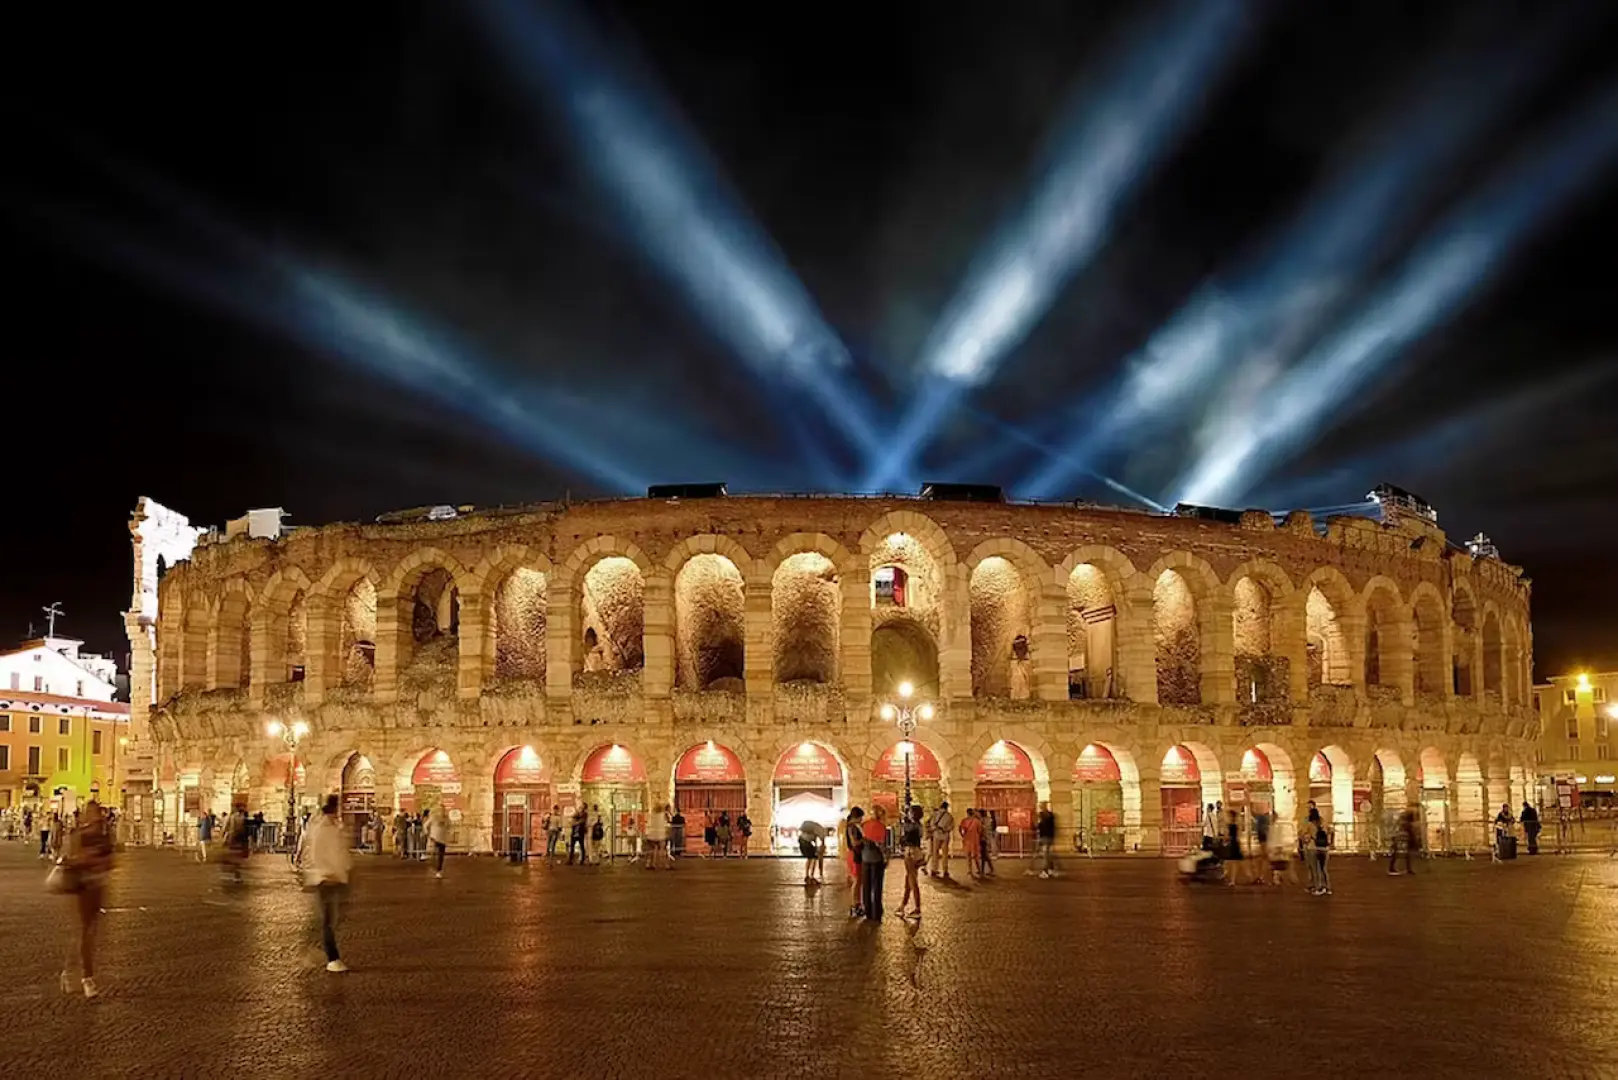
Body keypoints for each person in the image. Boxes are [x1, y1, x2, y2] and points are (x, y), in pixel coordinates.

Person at [57, 799, 113, 999]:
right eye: (91, 813)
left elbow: (110, 862)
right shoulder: (78, 836)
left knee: (85, 935)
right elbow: (71, 858)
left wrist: (97, 862)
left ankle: (67, 971)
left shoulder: (104, 836)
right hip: (80, 888)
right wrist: (86, 860)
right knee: (84, 935)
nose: (95, 817)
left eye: (97, 813)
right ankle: (87, 978)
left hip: (96, 889)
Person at [296, 795, 353, 973]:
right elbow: (315, 853)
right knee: (327, 920)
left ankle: (315, 947)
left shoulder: (333, 826)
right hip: (326, 878)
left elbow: (341, 851)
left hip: (337, 877)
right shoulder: (322, 828)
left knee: (333, 918)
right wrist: (326, 872)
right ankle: (332, 958)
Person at [860, 805, 890, 923]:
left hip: (865, 858)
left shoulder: (864, 825)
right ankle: (876, 911)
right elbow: (882, 845)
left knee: (866, 886)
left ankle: (868, 911)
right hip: (877, 858)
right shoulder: (881, 827)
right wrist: (886, 858)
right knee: (877, 886)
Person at [898, 804, 925, 919]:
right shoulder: (919, 825)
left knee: (912, 880)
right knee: (908, 880)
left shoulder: (910, 826)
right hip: (917, 852)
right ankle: (902, 906)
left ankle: (917, 908)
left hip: (910, 852)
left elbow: (904, 835)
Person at [844, 808, 867, 917]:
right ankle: (855, 905)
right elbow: (854, 842)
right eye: (861, 817)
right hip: (855, 854)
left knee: (858, 880)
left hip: (853, 854)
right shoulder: (853, 827)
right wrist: (865, 840)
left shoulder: (851, 826)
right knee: (857, 881)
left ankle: (857, 903)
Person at [928, 801, 954, 879]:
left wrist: (936, 829)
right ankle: (945, 870)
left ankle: (934, 869)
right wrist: (945, 830)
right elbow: (952, 826)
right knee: (945, 854)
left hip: (936, 835)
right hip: (945, 836)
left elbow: (932, 824)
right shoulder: (949, 816)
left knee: (935, 853)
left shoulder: (935, 814)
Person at [798, 818, 827, 885]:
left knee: (810, 858)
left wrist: (817, 848)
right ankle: (811, 876)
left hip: (802, 840)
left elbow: (815, 840)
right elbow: (822, 843)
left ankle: (807, 875)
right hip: (806, 841)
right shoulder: (822, 831)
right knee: (813, 858)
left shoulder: (818, 827)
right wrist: (821, 850)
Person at [1034, 802, 1059, 878]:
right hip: (1049, 837)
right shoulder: (1051, 815)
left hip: (1044, 837)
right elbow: (1053, 827)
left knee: (1045, 855)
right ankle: (1051, 869)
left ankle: (1045, 871)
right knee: (1048, 854)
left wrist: (1037, 824)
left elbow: (1039, 826)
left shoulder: (1042, 815)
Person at [1390, 808, 1417, 875]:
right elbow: (1410, 832)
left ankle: (1393, 868)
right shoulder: (1407, 824)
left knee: (1397, 854)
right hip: (1403, 839)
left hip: (1400, 839)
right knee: (1404, 854)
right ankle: (1407, 868)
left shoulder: (1401, 822)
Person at [1311, 816, 1332, 896]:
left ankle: (1320, 887)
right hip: (1325, 850)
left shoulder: (1318, 831)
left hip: (1319, 850)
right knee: (1324, 869)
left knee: (1319, 869)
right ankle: (1327, 887)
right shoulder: (1326, 829)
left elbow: (1316, 839)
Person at [960, 809, 983, 879]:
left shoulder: (964, 821)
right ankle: (979, 870)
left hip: (967, 840)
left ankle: (970, 871)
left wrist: (962, 835)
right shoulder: (977, 821)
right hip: (975, 840)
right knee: (976, 857)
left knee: (968, 856)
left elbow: (960, 829)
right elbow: (980, 831)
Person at [644, 804, 669, 869]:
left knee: (652, 850)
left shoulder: (651, 815)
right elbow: (666, 823)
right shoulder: (663, 815)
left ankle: (649, 864)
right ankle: (666, 865)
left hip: (651, 834)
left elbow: (648, 824)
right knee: (662, 850)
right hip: (661, 835)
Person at [427, 807, 450, 879]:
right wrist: (428, 834)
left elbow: (448, 827)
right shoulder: (434, 817)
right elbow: (426, 825)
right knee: (436, 855)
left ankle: (439, 870)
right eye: (441, 810)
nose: (442, 812)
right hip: (435, 839)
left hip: (443, 839)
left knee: (441, 856)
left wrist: (448, 834)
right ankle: (437, 868)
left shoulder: (446, 818)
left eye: (443, 810)